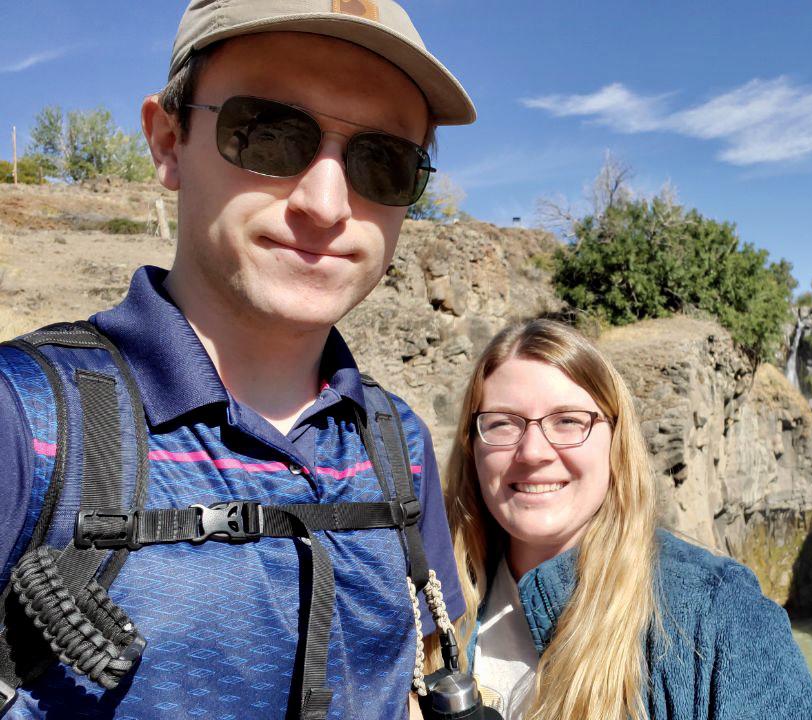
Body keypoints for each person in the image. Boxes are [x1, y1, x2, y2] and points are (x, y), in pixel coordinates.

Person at [0, 1, 476, 717]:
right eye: (269, 133)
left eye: (383, 161)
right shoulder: (23, 422)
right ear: (168, 141)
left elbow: (418, 681)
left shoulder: (396, 443)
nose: (325, 204)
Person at [424, 319, 812, 720]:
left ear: (616, 440)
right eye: (502, 423)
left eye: (568, 421)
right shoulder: (425, 601)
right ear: (471, 446)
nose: (533, 452)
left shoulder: (723, 618)